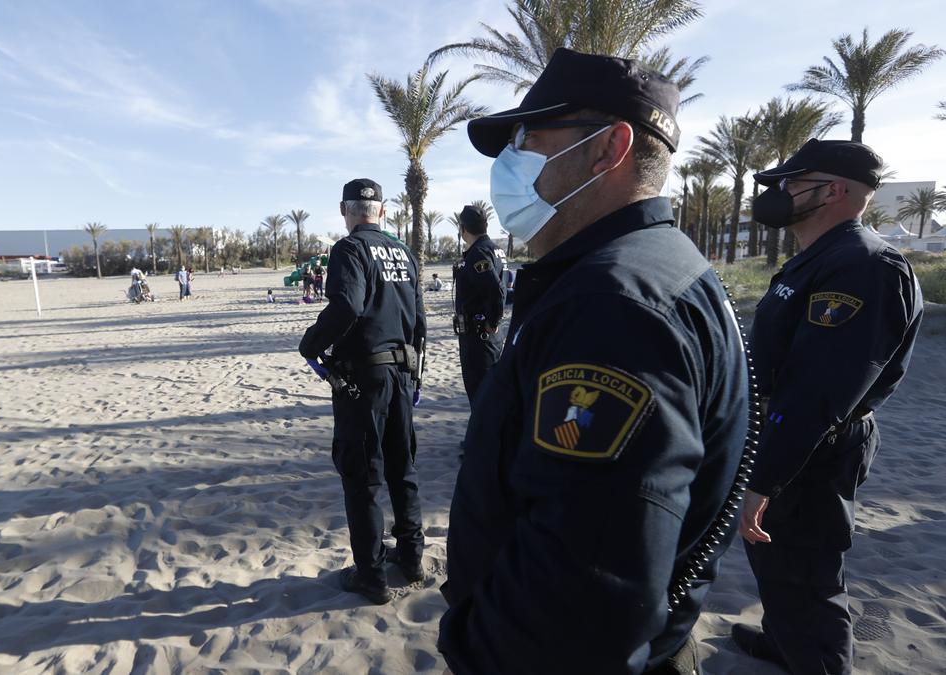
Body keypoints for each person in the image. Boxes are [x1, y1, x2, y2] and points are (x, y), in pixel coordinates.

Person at [436, 47, 751, 674]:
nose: (508, 161)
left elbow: (581, 603)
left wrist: (477, 648)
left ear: (609, 148)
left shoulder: (613, 308)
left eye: (527, 138)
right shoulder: (655, 264)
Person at [732, 140, 923, 675]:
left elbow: (819, 391)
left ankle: (817, 660)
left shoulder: (863, 266)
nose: (780, 193)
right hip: (785, 430)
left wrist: (764, 479)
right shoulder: (820, 257)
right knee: (776, 560)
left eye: (793, 182)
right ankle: (785, 640)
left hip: (814, 443)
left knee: (805, 571)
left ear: (834, 190)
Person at [299, 178, 427, 606]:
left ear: (345, 210)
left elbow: (348, 306)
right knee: (401, 468)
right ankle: (411, 557)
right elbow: (420, 320)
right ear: (383, 211)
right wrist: (416, 376)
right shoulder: (403, 252)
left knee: (362, 475)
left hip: (366, 380)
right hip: (403, 372)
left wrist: (312, 343)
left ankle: (371, 574)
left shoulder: (349, 249)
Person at [451, 204, 506, 410]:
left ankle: (485, 440)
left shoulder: (479, 253)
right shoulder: (495, 249)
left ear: (463, 229)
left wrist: (492, 321)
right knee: (488, 391)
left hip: (479, 335)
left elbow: (494, 290)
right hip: (485, 335)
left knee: (480, 391)